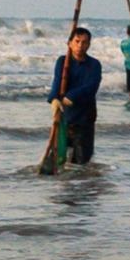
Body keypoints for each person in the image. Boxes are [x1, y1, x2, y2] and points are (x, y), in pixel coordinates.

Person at [47, 27, 102, 164]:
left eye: (84, 42)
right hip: (65, 118)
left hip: (85, 119)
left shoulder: (94, 65)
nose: (80, 46)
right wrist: (54, 99)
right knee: (59, 160)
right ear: (69, 43)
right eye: (77, 41)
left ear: (89, 45)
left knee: (82, 162)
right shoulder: (62, 62)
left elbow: (91, 87)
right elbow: (57, 82)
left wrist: (71, 96)